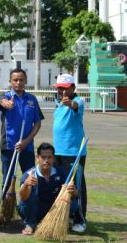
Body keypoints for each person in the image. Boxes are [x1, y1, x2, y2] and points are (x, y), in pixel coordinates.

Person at [17, 142, 79, 236]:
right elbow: (23, 198)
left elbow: (74, 195)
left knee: (72, 202)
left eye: (49, 157)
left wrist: (74, 192)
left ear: (53, 158)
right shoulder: (29, 174)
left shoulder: (60, 172)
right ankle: (31, 223)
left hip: (51, 209)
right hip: (33, 209)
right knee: (30, 195)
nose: (46, 160)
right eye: (43, 157)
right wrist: (26, 184)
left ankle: (53, 222)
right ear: (37, 158)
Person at [0, 68, 44, 190]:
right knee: (7, 180)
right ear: (10, 81)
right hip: (8, 146)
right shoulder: (6, 96)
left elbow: (37, 124)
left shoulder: (32, 99)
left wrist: (25, 142)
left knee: (30, 179)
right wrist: (6, 103)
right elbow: (1, 100)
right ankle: (5, 207)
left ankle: (28, 208)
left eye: (21, 80)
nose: (18, 82)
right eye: (15, 80)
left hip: (26, 146)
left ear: (25, 81)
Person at [52, 73, 87, 233]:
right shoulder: (57, 102)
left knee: (76, 186)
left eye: (65, 89)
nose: (62, 92)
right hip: (58, 151)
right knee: (61, 185)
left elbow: (74, 105)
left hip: (74, 152)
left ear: (73, 87)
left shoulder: (78, 101)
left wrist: (70, 103)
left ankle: (80, 219)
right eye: (59, 88)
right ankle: (67, 215)